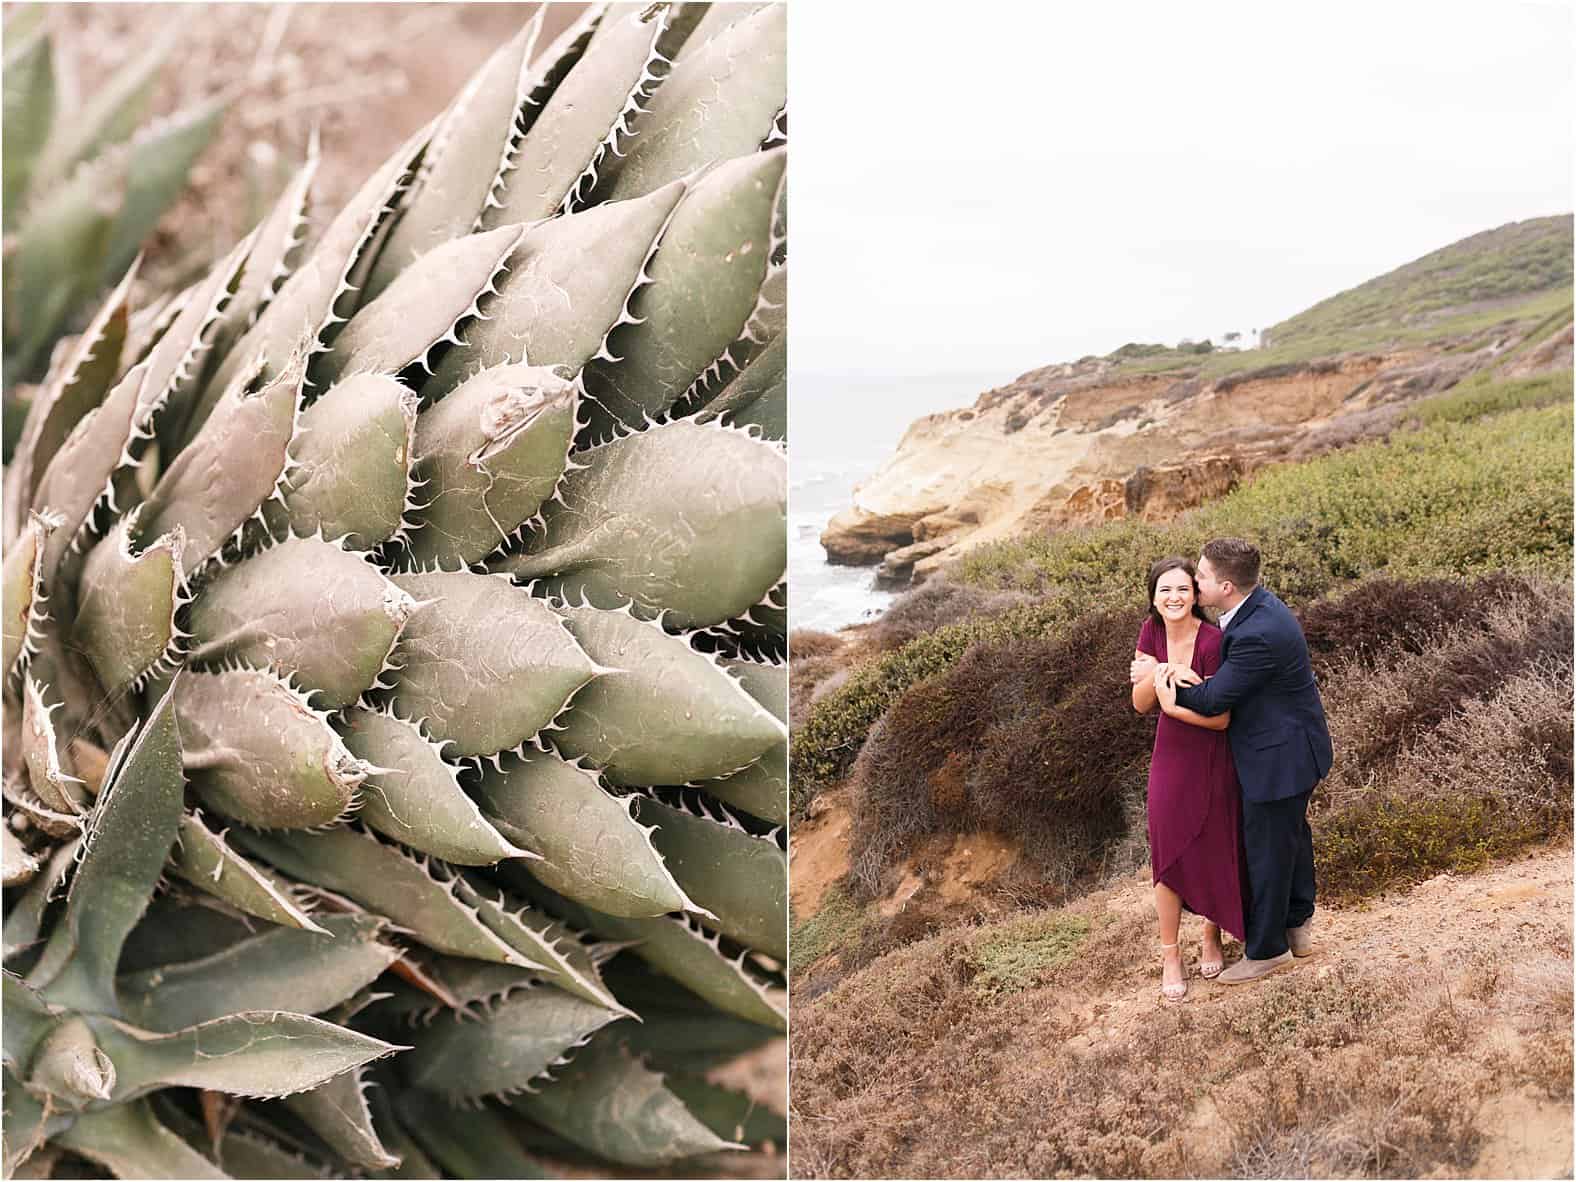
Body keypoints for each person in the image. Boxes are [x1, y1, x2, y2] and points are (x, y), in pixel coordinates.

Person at [1153, 537, 1333, 985]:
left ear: (1227, 586)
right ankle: (1297, 927)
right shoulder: (1259, 607)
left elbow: (1214, 699)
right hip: (1295, 748)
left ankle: (1268, 950)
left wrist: (1166, 683)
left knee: (1268, 851)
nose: (1194, 582)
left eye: (1203, 577)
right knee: (1291, 838)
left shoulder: (1256, 633)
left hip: (1279, 758)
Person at [1130, 556, 1248, 1003]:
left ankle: (1211, 934)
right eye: (1165, 590)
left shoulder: (1215, 641)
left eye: (1183, 589)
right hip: (1170, 755)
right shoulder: (1151, 633)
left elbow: (1219, 719)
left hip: (1211, 751)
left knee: (1212, 840)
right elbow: (1141, 703)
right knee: (1167, 847)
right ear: (1154, 598)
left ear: (1196, 595)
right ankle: (1170, 955)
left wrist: (1170, 696)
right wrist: (1165, 672)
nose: (1174, 597)